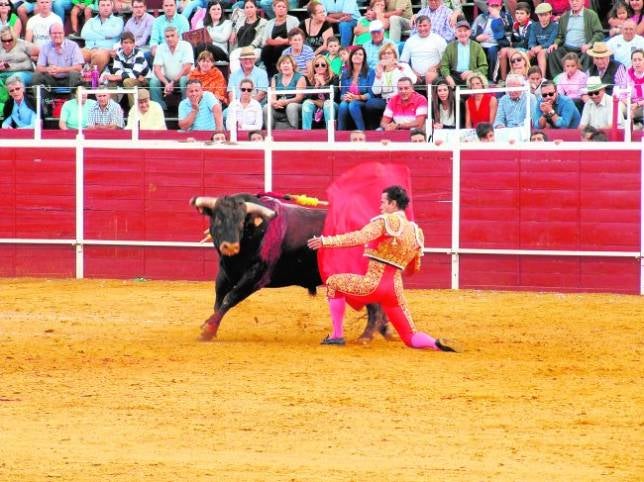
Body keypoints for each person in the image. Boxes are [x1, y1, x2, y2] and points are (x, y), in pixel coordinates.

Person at [307, 185, 456, 351]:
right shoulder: (416, 232)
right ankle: (435, 343)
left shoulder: (384, 221)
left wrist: (326, 241)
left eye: (383, 202)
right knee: (410, 336)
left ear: (393, 204)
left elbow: (360, 236)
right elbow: (413, 269)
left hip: (373, 284)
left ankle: (336, 336)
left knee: (333, 282)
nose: (381, 206)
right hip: (394, 291)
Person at [547, 0, 604, 78]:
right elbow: (560, 36)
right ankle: (558, 79)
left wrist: (589, 44)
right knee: (553, 52)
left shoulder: (591, 15)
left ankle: (583, 79)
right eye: (572, 1)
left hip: (583, 49)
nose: (574, 3)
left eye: (577, 0)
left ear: (583, 2)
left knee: (589, 54)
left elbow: (599, 33)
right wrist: (556, 43)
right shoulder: (564, 17)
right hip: (566, 49)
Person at [366, 42, 416, 129]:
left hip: (401, 99)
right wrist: (378, 76)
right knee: (370, 103)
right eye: (383, 54)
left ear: (394, 55)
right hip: (386, 101)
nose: (386, 55)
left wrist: (400, 68)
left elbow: (414, 80)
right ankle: (376, 130)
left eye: (389, 53)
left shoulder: (403, 66)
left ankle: (394, 125)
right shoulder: (378, 69)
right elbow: (375, 91)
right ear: (380, 57)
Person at [32, 23, 83, 104]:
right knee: (37, 76)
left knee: (75, 74)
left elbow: (78, 67)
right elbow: (39, 67)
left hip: (68, 79)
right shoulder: (45, 47)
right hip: (52, 79)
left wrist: (61, 70)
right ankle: (45, 105)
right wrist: (47, 69)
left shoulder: (73, 46)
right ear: (50, 35)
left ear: (64, 33)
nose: (57, 35)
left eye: (60, 33)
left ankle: (72, 104)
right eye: (54, 33)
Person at [150, 25, 194, 109]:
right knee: (153, 82)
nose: (169, 39)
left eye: (172, 36)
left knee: (184, 80)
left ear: (178, 36)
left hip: (183, 77)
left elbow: (187, 68)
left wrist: (172, 82)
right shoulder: (161, 47)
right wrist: (167, 83)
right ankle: (159, 108)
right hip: (167, 80)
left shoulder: (186, 45)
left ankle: (186, 106)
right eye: (167, 36)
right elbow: (156, 69)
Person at [102, 31, 150, 106]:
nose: (128, 45)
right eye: (125, 42)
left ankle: (134, 110)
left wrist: (119, 76)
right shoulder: (118, 53)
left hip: (144, 80)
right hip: (129, 78)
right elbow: (116, 70)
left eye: (131, 43)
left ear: (134, 44)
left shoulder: (139, 53)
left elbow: (136, 73)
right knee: (111, 81)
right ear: (121, 44)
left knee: (127, 81)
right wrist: (119, 76)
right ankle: (112, 109)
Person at [439, 19, 488, 88]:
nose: (462, 33)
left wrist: (472, 72)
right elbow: (444, 66)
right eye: (459, 31)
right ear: (455, 33)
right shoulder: (450, 47)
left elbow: (484, 67)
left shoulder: (477, 46)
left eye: (465, 31)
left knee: (476, 81)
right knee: (440, 82)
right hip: (454, 75)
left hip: (471, 75)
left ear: (470, 32)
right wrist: (448, 76)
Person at [400, 15, 446, 86]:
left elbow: (445, 60)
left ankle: (430, 97)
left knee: (430, 75)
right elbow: (403, 61)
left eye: (425, 25)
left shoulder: (439, 40)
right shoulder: (410, 41)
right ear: (416, 26)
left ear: (430, 25)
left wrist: (436, 67)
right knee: (405, 76)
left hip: (434, 74)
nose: (422, 28)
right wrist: (412, 72)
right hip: (415, 75)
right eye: (420, 26)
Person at [80, 0, 124, 73]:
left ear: (112, 6)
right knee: (76, 53)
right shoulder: (91, 21)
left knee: (99, 55)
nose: (105, 8)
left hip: (106, 50)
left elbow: (114, 32)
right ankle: (76, 78)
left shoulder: (118, 20)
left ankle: (89, 78)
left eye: (108, 5)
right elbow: (84, 34)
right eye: (103, 5)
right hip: (89, 48)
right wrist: (105, 37)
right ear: (98, 7)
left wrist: (94, 32)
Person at [337, 46, 374, 130]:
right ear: (351, 57)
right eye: (355, 54)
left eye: (360, 54)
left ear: (364, 58)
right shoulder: (345, 73)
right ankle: (339, 134)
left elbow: (371, 94)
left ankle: (362, 132)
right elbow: (342, 95)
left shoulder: (370, 72)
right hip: (349, 101)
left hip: (364, 102)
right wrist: (345, 97)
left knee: (353, 104)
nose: (357, 56)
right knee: (343, 105)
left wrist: (357, 97)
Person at [264, 53, 305, 129]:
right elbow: (273, 96)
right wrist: (274, 103)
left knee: (291, 106)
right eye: (283, 63)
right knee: (267, 107)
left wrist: (285, 102)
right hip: (279, 107)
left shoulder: (300, 77)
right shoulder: (275, 77)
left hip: (295, 106)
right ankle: (269, 133)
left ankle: (294, 131)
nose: (285, 65)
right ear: (280, 66)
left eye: (288, 63)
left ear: (293, 65)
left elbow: (299, 98)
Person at [260, 0, 299, 78]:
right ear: (274, 8)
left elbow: (297, 39)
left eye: (283, 7)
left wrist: (282, 41)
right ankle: (270, 75)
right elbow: (265, 41)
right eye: (279, 6)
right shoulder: (269, 23)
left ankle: (278, 74)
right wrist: (278, 41)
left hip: (288, 46)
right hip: (272, 48)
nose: (281, 8)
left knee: (279, 49)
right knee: (265, 50)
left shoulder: (294, 20)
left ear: (287, 9)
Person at [228, 0, 267, 73]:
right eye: (247, 7)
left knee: (236, 55)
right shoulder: (241, 20)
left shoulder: (263, 22)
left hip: (255, 49)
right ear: (244, 9)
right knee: (234, 55)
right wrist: (233, 31)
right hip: (240, 49)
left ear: (256, 8)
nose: (249, 10)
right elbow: (235, 27)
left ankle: (238, 79)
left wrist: (250, 47)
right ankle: (239, 80)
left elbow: (259, 38)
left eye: (251, 7)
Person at [302, 54, 338, 130]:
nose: (320, 67)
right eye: (317, 65)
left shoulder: (334, 77)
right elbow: (307, 97)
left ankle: (330, 132)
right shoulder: (309, 78)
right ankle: (306, 133)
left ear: (327, 66)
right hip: (316, 106)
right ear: (314, 67)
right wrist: (316, 85)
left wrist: (322, 82)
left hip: (332, 105)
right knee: (306, 104)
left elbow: (333, 97)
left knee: (328, 104)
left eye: (323, 65)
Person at [498, 1, 531, 81]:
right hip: (517, 49)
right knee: (502, 51)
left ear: (528, 15)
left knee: (510, 51)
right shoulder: (515, 25)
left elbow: (526, 43)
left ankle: (519, 78)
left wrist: (513, 44)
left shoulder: (531, 25)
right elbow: (510, 41)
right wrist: (512, 44)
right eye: (517, 13)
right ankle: (503, 79)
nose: (519, 16)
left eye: (522, 13)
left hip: (528, 50)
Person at [527, 1, 557, 77]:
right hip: (537, 48)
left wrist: (540, 47)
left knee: (541, 53)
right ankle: (525, 76)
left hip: (548, 49)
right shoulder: (534, 26)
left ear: (550, 14)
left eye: (546, 15)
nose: (543, 18)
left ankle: (542, 78)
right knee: (527, 54)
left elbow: (550, 41)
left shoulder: (554, 26)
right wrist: (532, 48)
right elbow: (531, 40)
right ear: (537, 15)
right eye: (540, 15)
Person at [624, 48, 644, 128]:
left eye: (640, 59)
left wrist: (638, 104)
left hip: (642, 105)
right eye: (634, 60)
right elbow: (620, 93)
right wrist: (629, 105)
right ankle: (623, 130)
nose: (637, 62)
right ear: (631, 62)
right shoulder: (627, 74)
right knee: (618, 106)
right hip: (631, 105)